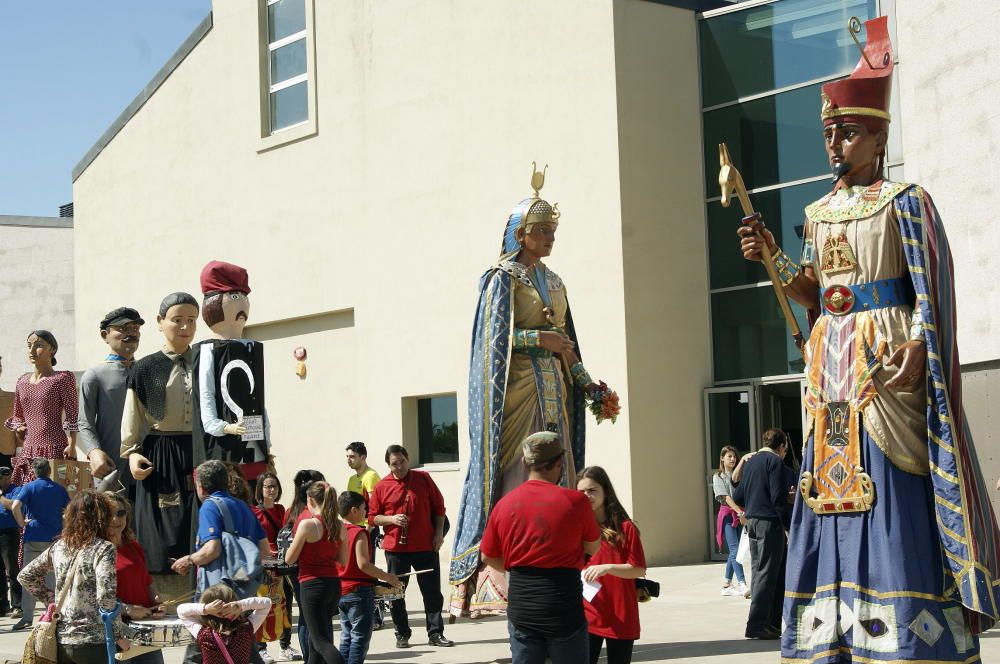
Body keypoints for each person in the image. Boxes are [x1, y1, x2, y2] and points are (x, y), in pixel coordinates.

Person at [737, 16, 1000, 661]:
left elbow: (930, 286)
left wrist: (920, 339)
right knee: (831, 485)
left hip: (885, 361)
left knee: (890, 482)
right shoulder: (816, 212)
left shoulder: (907, 201)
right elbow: (815, 290)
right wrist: (772, 258)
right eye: (828, 132)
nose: (835, 143)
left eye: (847, 131)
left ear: (878, 135)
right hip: (830, 365)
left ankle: (910, 624)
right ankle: (837, 627)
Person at [451, 167, 603, 618]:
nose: (550, 237)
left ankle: (563, 558)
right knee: (518, 466)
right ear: (522, 233)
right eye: (543, 230)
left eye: (553, 230)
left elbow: (567, 341)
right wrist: (539, 341)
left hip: (554, 386)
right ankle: (501, 578)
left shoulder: (555, 281)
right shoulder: (502, 277)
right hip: (516, 390)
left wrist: (588, 385)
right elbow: (491, 343)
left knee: (561, 464)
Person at [480, 431, 600, 664]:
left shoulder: (505, 504)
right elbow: (593, 547)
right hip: (564, 609)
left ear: (525, 462)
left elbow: (488, 555)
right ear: (559, 463)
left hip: (523, 608)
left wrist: (517, 568)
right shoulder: (576, 501)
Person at [121, 292, 201, 576]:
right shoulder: (146, 367)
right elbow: (132, 417)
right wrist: (131, 454)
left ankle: (200, 592)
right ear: (159, 321)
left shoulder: (205, 361)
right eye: (177, 320)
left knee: (201, 516)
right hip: (161, 452)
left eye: (191, 320)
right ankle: (163, 595)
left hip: (198, 450)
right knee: (165, 523)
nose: (185, 327)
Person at [18, 490, 130, 663]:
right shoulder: (103, 548)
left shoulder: (60, 546)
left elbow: (26, 576)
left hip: (62, 640)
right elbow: (106, 597)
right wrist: (119, 635)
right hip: (94, 641)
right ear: (101, 518)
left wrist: (52, 601)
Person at [192, 261, 270, 485]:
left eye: (244, 296)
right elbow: (205, 399)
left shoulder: (251, 347)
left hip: (255, 447)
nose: (243, 303)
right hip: (222, 450)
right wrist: (226, 427)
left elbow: (258, 399)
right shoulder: (209, 349)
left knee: (252, 501)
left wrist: (266, 442)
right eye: (234, 297)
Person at [369, 445, 452, 649]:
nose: (399, 467)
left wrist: (439, 534)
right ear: (388, 465)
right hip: (397, 550)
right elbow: (372, 517)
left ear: (408, 458)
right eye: (394, 464)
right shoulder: (381, 486)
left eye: (402, 462)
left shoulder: (423, 479)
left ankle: (435, 633)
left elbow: (439, 508)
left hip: (425, 546)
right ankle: (402, 634)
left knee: (432, 592)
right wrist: (391, 519)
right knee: (397, 593)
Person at [577, 466, 646, 664]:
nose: (586, 496)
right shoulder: (576, 527)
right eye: (581, 491)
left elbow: (638, 568)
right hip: (588, 614)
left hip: (620, 613)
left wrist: (607, 568)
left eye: (592, 490)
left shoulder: (625, 528)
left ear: (606, 491)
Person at [730, 428, 789, 640]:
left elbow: (738, 496)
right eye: (785, 449)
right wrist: (788, 526)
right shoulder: (775, 463)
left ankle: (767, 623)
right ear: (781, 446)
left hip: (752, 523)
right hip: (768, 523)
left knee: (759, 572)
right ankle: (756, 625)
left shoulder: (752, 462)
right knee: (766, 574)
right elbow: (778, 498)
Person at [78, 307, 144, 494]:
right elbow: (84, 421)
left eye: (135, 329)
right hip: (111, 466)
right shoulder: (95, 375)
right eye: (123, 329)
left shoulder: (148, 372)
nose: (131, 333)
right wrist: (93, 452)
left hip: (148, 466)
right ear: (104, 335)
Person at [284, 481, 349, 664]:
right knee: (315, 639)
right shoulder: (339, 526)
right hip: (333, 585)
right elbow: (343, 561)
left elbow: (289, 559)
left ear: (310, 500)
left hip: (312, 584)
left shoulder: (308, 525)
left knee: (321, 641)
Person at [5, 330, 78, 488]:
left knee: (54, 499)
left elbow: (73, 414)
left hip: (55, 448)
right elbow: (18, 416)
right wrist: (19, 429)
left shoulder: (62, 379)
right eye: (29, 345)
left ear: (52, 349)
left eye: (38, 345)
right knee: (26, 502)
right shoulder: (22, 381)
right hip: (28, 450)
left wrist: (72, 444)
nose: (31, 350)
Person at [336, 490, 401, 664]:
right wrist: (388, 577)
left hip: (340, 590)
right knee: (359, 638)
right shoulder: (359, 532)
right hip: (358, 592)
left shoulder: (335, 530)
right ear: (354, 510)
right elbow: (363, 564)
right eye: (364, 508)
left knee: (346, 636)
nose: (366, 513)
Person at [11, 457, 71, 630]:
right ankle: (52, 614)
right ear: (49, 471)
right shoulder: (60, 489)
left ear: (34, 471)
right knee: (52, 578)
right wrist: (64, 529)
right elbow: (68, 512)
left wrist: (22, 524)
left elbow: (15, 506)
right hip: (54, 538)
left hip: (34, 535)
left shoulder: (29, 487)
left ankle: (27, 616)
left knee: (28, 576)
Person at [107, 493, 165, 664]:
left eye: (120, 513)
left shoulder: (134, 546)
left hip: (146, 628)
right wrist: (126, 609)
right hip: (117, 631)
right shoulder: (96, 550)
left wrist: (157, 600)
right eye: (109, 513)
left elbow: (147, 580)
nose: (115, 519)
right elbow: (92, 598)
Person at [252, 471, 299, 663]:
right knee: (262, 607)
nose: (272, 490)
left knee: (285, 604)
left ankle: (285, 646)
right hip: (263, 566)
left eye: (274, 486)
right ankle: (260, 648)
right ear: (260, 489)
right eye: (268, 486)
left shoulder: (282, 510)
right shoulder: (253, 512)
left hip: (282, 566)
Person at [285, 469, 326, 664]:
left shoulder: (293, 511)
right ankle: (312, 658)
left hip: (300, 573)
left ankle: (311, 658)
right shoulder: (308, 517)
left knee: (306, 616)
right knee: (313, 621)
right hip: (309, 574)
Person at [177, 583, 271, 664]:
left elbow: (181, 611)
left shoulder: (203, 634)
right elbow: (266, 603)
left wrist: (205, 609)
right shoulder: (246, 629)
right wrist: (240, 605)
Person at [712, 445, 747, 598]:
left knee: (737, 550)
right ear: (722, 459)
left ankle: (726, 584)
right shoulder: (718, 477)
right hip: (728, 516)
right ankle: (742, 584)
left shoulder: (739, 476)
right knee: (735, 550)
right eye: (729, 457)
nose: (732, 459)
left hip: (740, 515)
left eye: (734, 456)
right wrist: (739, 511)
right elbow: (724, 497)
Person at [0, 466, 22, 617]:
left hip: (9, 533)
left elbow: (12, 505)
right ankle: (2, 606)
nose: (7, 480)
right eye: (3, 478)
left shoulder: (16, 490)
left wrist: (0, 496)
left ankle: (17, 605)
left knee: (12, 569)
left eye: (9, 477)